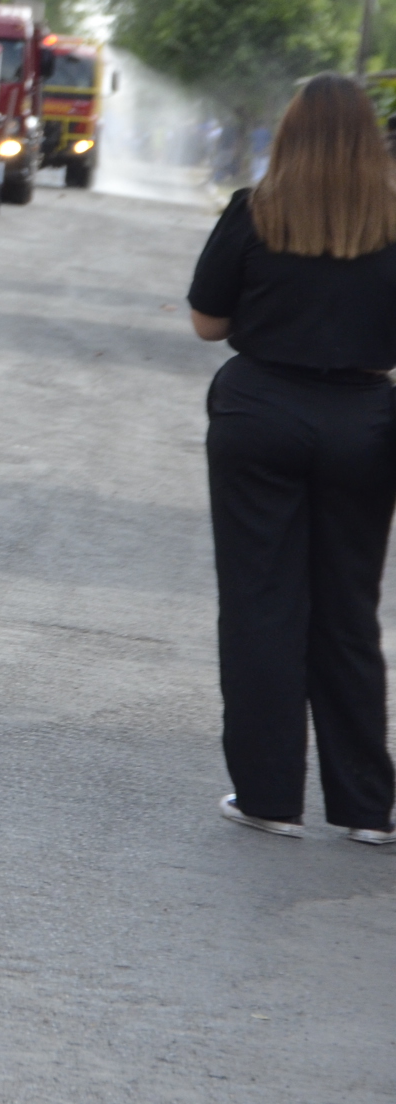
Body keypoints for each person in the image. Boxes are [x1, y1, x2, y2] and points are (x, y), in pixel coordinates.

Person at [189, 73, 396, 845]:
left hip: (260, 412)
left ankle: (268, 796)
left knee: (260, 605)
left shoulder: (254, 211)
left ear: (290, 134)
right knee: (348, 610)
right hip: (365, 422)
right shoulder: (392, 223)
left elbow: (209, 324)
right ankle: (368, 809)